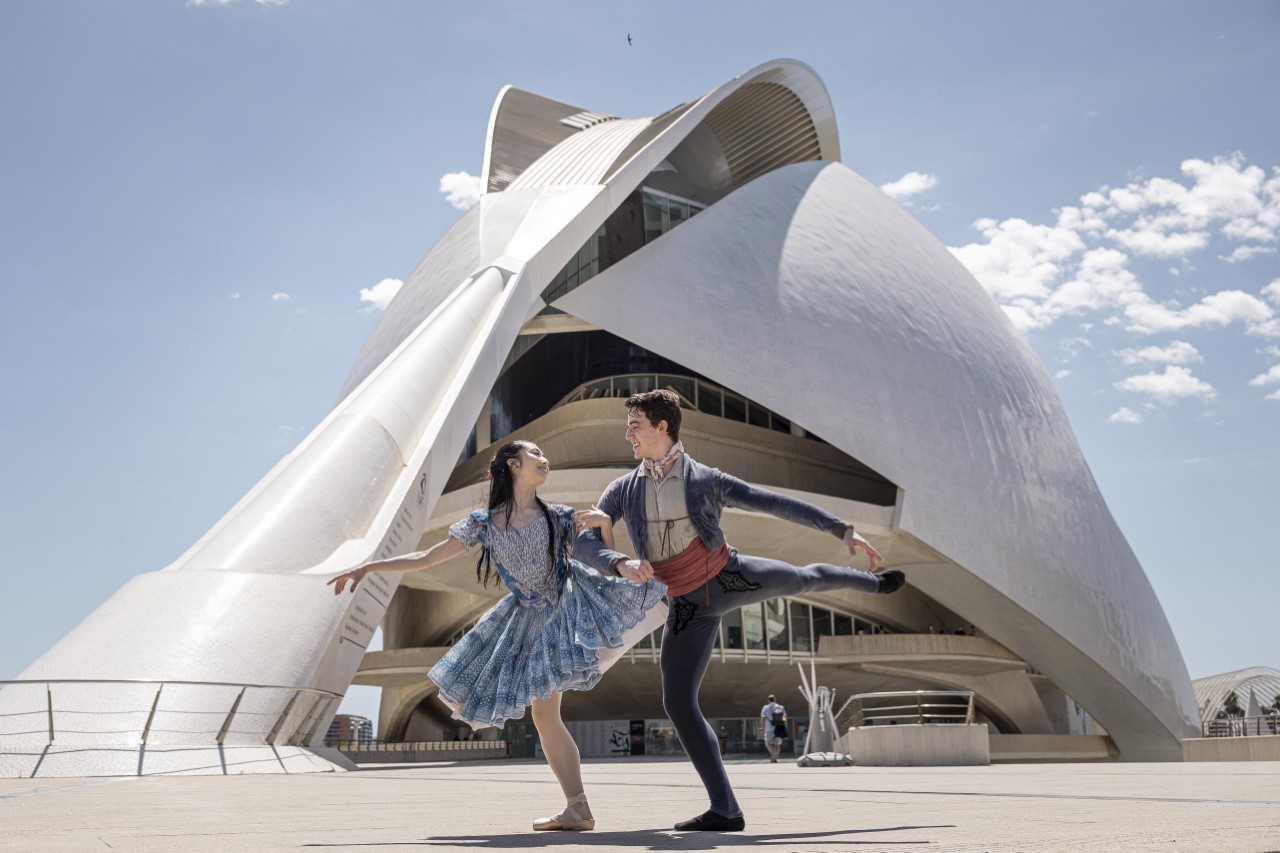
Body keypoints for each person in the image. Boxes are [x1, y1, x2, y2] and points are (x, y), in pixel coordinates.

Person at [576, 389, 905, 832]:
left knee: (805, 578)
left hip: (729, 576)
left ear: (662, 427)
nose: (627, 432)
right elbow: (586, 538)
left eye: (635, 424)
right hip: (687, 603)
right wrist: (620, 562)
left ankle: (874, 584)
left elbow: (772, 502)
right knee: (676, 701)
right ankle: (726, 810)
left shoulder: (705, 479)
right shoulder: (623, 488)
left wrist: (840, 529)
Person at [328, 439, 666, 832]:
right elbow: (425, 558)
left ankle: (578, 808)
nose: (545, 458)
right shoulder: (483, 524)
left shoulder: (558, 517)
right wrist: (368, 568)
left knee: (545, 716)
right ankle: (577, 808)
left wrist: (606, 527)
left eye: (544, 453)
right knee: (545, 716)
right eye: (535, 454)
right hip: (525, 619)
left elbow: (603, 560)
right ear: (512, 465)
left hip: (565, 608)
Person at [760, 694, 788, 763]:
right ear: (775, 699)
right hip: (779, 728)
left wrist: (762, 727)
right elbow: (785, 717)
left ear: (768, 700)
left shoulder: (765, 708)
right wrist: (783, 724)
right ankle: (775, 756)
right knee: (777, 744)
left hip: (769, 729)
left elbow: (763, 718)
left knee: (767, 743)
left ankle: (773, 754)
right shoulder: (780, 707)